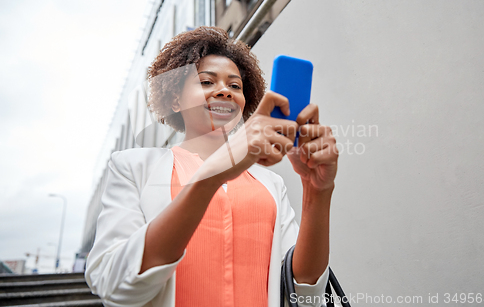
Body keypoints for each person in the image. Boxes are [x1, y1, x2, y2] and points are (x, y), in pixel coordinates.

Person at [85, 26, 339, 307]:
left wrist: (317, 191)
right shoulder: (132, 167)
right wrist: (213, 174)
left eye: (235, 86)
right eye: (206, 82)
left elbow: (302, 293)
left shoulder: (271, 183)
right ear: (175, 99)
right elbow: (113, 283)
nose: (224, 92)